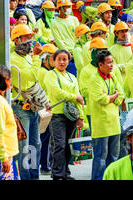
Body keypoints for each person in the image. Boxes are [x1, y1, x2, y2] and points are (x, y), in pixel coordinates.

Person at [10, 24, 45, 180]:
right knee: (24, 148)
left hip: (32, 107)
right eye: (26, 37)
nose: (30, 41)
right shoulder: (13, 59)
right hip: (21, 109)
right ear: (17, 40)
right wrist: (37, 56)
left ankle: (33, 175)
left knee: (34, 145)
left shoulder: (26, 57)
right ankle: (25, 177)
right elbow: (30, 79)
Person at [44, 49, 85, 180]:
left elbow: (80, 100)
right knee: (59, 144)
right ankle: (57, 174)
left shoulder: (72, 77)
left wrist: (81, 117)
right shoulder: (51, 75)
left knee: (67, 145)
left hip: (71, 115)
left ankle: (65, 173)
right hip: (57, 115)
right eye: (59, 59)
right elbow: (57, 93)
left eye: (65, 59)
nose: (62, 62)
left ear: (68, 61)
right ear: (54, 61)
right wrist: (74, 97)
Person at [90, 50, 124, 180]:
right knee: (100, 159)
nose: (111, 65)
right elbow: (101, 99)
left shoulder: (113, 76)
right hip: (101, 126)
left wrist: (111, 97)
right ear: (100, 65)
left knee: (114, 158)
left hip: (115, 125)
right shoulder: (94, 79)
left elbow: (121, 95)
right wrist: (112, 97)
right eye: (109, 63)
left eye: (112, 62)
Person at [109, 21, 133, 158]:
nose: (124, 34)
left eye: (126, 31)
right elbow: (114, 68)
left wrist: (123, 66)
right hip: (119, 94)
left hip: (132, 91)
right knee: (122, 127)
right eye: (121, 31)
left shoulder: (132, 48)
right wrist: (127, 66)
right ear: (116, 34)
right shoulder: (112, 50)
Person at [77, 37, 109, 129]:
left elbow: (118, 89)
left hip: (110, 110)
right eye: (100, 52)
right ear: (93, 52)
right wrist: (101, 92)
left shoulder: (111, 68)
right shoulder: (86, 71)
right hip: (94, 111)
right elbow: (84, 91)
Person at [37, 43, 57, 175]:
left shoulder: (45, 71)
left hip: (45, 107)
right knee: (45, 139)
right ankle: (44, 165)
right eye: (53, 57)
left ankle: (45, 164)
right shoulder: (44, 73)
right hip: (45, 108)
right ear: (45, 59)